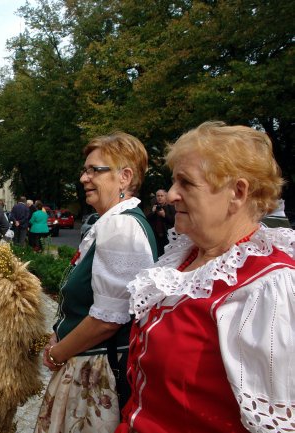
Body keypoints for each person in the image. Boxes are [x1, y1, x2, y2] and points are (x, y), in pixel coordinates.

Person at [117, 122, 295, 433]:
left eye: (186, 183)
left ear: (237, 193)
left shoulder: (267, 286)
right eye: (174, 182)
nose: (171, 194)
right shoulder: (185, 255)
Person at [36, 132, 157, 433]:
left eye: (94, 170)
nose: (84, 178)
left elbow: (108, 319)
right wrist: (58, 334)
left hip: (100, 371)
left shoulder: (121, 225)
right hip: (86, 362)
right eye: (85, 170)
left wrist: (56, 353)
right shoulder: (113, 222)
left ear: (124, 177)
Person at [146, 188, 175, 256]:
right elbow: (147, 220)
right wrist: (152, 212)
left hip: (168, 235)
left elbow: (174, 221)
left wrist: (164, 215)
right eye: (158, 196)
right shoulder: (154, 206)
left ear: (166, 196)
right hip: (157, 236)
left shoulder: (171, 206)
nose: (159, 198)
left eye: (162, 196)